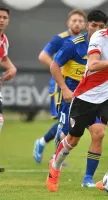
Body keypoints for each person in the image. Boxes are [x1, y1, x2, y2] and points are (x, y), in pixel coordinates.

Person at [46, 12, 108, 192]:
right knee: (72, 140)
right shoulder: (99, 38)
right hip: (86, 97)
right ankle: (55, 167)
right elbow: (93, 65)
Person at [49, 10, 108, 189]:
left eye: (101, 26)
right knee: (69, 137)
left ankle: (88, 179)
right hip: (72, 96)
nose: (97, 29)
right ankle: (56, 164)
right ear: (87, 25)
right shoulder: (73, 45)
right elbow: (54, 65)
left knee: (98, 132)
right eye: (94, 25)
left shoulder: (106, 46)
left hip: (94, 96)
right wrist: (65, 89)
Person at [33, 9, 86, 163]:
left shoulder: (85, 41)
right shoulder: (60, 39)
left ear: (85, 24)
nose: (77, 23)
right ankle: (53, 154)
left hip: (76, 85)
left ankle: (45, 145)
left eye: (80, 21)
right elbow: (43, 56)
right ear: (68, 22)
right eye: (74, 20)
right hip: (59, 85)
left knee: (67, 121)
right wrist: (58, 67)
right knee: (63, 120)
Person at [0, 6, 17, 172]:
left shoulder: (3, 40)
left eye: (4, 17)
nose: (1, 20)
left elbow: (3, 57)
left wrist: (12, 68)